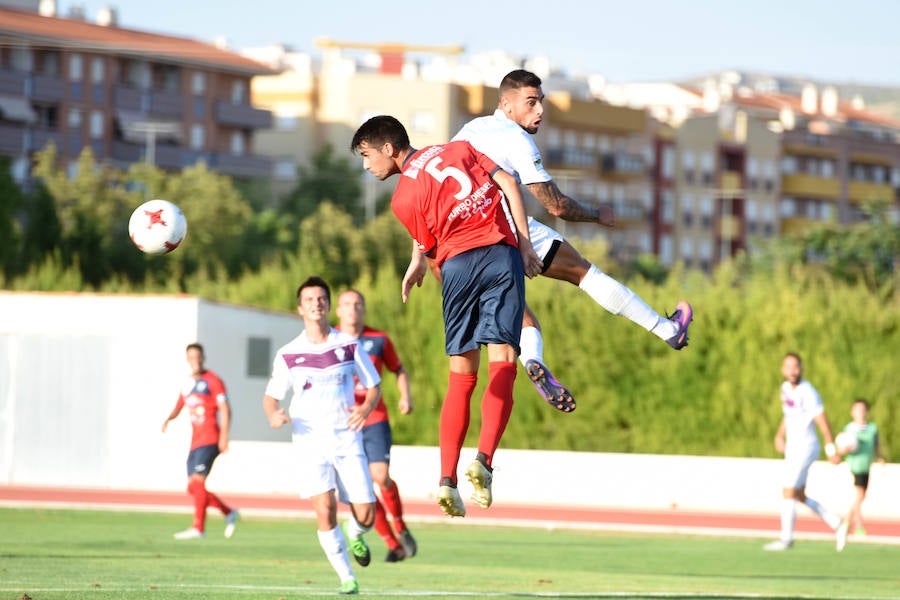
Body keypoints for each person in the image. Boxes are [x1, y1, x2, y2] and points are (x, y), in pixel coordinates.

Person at [405, 68, 694, 413]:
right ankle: (666, 330)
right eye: (531, 103)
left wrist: (419, 255)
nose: (540, 110)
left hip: (451, 250)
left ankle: (532, 361)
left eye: (541, 102)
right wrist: (596, 214)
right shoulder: (516, 139)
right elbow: (556, 205)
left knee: (518, 323)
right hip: (503, 227)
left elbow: (428, 197)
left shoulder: (469, 130)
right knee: (585, 274)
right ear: (507, 105)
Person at [351, 115, 542, 518]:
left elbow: (429, 244)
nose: (366, 166)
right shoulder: (460, 148)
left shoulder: (401, 199)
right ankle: (484, 461)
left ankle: (447, 480)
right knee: (503, 363)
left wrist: (418, 261)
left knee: (461, 375)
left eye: (367, 156)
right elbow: (508, 183)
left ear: (389, 148)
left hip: (456, 269)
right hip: (498, 255)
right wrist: (525, 245)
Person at [262, 276, 382, 596]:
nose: (316, 303)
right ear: (300, 308)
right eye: (310, 299)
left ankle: (355, 532)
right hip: (308, 440)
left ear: (328, 305)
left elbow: (374, 386)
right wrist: (273, 414)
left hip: (347, 437)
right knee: (324, 508)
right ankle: (347, 577)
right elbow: (271, 397)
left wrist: (366, 408)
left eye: (321, 298)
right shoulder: (289, 353)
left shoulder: (348, 344)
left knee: (367, 514)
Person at [336, 289, 418, 562]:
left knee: (381, 477)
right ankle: (392, 543)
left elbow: (399, 370)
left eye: (358, 304)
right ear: (338, 310)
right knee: (363, 488)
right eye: (347, 304)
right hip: (343, 422)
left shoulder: (379, 339)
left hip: (373, 417)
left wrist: (405, 396)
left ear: (364, 309)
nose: (352, 309)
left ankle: (400, 525)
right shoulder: (329, 341)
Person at [763, 352, 848, 552]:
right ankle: (837, 522)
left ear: (801, 369)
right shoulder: (784, 389)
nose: (792, 371)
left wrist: (830, 449)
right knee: (799, 495)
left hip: (806, 446)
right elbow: (788, 414)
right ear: (783, 370)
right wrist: (778, 435)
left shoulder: (808, 392)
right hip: (792, 447)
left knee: (788, 490)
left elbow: (822, 422)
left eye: (796, 367)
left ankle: (786, 539)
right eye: (788, 367)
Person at [162, 343, 239, 540]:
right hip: (195, 441)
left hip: (211, 438)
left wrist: (224, 436)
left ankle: (199, 527)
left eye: (198, 356)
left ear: (203, 357)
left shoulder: (213, 381)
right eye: (191, 357)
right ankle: (228, 512)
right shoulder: (188, 383)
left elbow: (225, 408)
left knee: (198, 482)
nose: (195, 360)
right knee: (193, 487)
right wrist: (169, 418)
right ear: (187, 360)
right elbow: (180, 404)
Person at [839, 398, 884, 536]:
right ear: (852, 412)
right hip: (855, 465)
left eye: (863, 410)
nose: (860, 413)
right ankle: (853, 523)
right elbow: (842, 447)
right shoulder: (849, 429)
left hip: (866, 465)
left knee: (861, 495)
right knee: (860, 494)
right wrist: (844, 450)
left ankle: (849, 521)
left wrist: (880, 457)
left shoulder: (872, 428)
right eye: (857, 410)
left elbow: (876, 445)